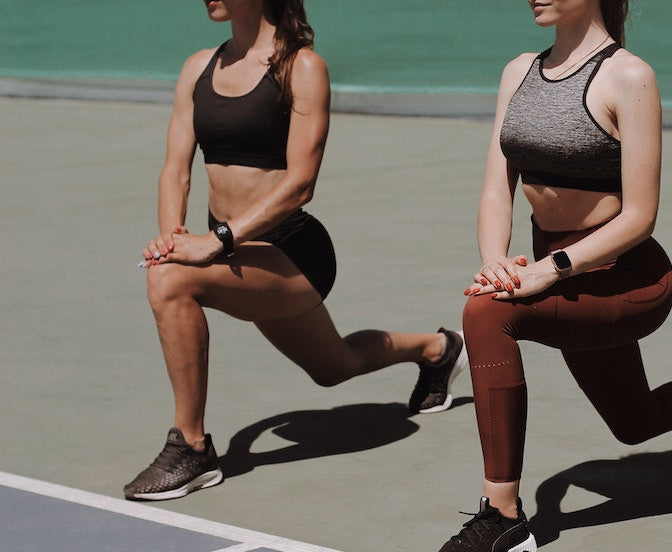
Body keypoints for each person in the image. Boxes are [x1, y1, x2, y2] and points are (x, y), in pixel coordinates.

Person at [428, 0, 672, 552]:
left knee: (485, 315)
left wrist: (551, 269)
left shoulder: (629, 76)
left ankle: (502, 518)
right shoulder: (518, 70)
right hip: (556, 273)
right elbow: (497, 187)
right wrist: (496, 261)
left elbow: (639, 217)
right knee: (634, 422)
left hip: (629, 281)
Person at [123, 0, 465, 501]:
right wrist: (174, 237)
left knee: (167, 281)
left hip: (293, 255)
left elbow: (300, 184)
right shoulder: (198, 67)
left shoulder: (302, 67)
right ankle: (438, 349)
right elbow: (175, 168)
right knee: (334, 369)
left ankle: (191, 448)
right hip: (229, 253)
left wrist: (213, 243)